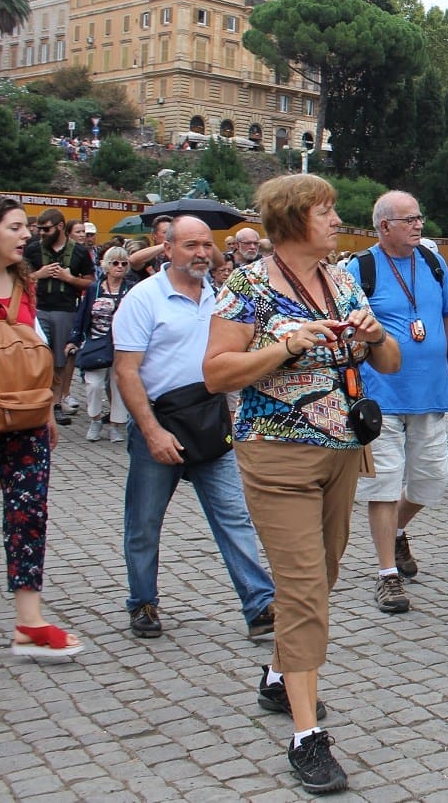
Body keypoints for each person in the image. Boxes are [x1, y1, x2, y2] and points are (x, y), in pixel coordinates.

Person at [204, 174, 399, 794]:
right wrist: (283, 347)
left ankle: (277, 675)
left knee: (326, 574)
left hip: (343, 449)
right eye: (326, 210)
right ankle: (307, 738)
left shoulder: (341, 279)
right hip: (277, 453)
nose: (337, 219)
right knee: (303, 589)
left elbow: (389, 362)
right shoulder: (248, 285)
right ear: (292, 220)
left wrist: (375, 338)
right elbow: (216, 373)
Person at [112, 216, 277, 642]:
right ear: (167, 249)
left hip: (208, 417)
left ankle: (260, 604)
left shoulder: (220, 298)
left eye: (207, 245)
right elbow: (126, 372)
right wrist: (150, 431)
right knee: (145, 520)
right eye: (190, 245)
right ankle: (143, 601)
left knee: (234, 516)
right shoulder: (144, 298)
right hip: (160, 419)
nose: (201, 252)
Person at [352, 192, 448, 615]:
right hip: (381, 398)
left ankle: (396, 530)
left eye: (420, 217)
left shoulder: (434, 264)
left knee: (431, 481)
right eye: (410, 219)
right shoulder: (360, 269)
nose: (419, 225)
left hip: (433, 394)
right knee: (383, 485)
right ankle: (387, 575)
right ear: (385, 226)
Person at [0, 195, 83, 659]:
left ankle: (29, 622)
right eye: (15, 227)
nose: (26, 234)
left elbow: (32, 347)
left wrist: (46, 408)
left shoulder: (23, 283)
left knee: (29, 513)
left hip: (22, 411)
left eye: (26, 227)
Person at [25, 210, 96, 424]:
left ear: (59, 226)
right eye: (40, 229)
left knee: (60, 360)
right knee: (37, 358)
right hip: (38, 309)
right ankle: (38, 403)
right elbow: (18, 277)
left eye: (46, 229)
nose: (42, 233)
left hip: (66, 310)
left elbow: (90, 282)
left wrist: (70, 278)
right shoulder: (32, 250)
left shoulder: (80, 252)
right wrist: (39, 274)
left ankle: (55, 404)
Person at [67, 246, 134, 443]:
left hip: (122, 345)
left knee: (118, 385)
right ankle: (95, 419)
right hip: (96, 343)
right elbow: (82, 316)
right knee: (93, 384)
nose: (119, 267)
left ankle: (115, 426)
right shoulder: (94, 288)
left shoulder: (131, 288)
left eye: (124, 263)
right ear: (106, 265)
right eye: (115, 263)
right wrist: (74, 340)